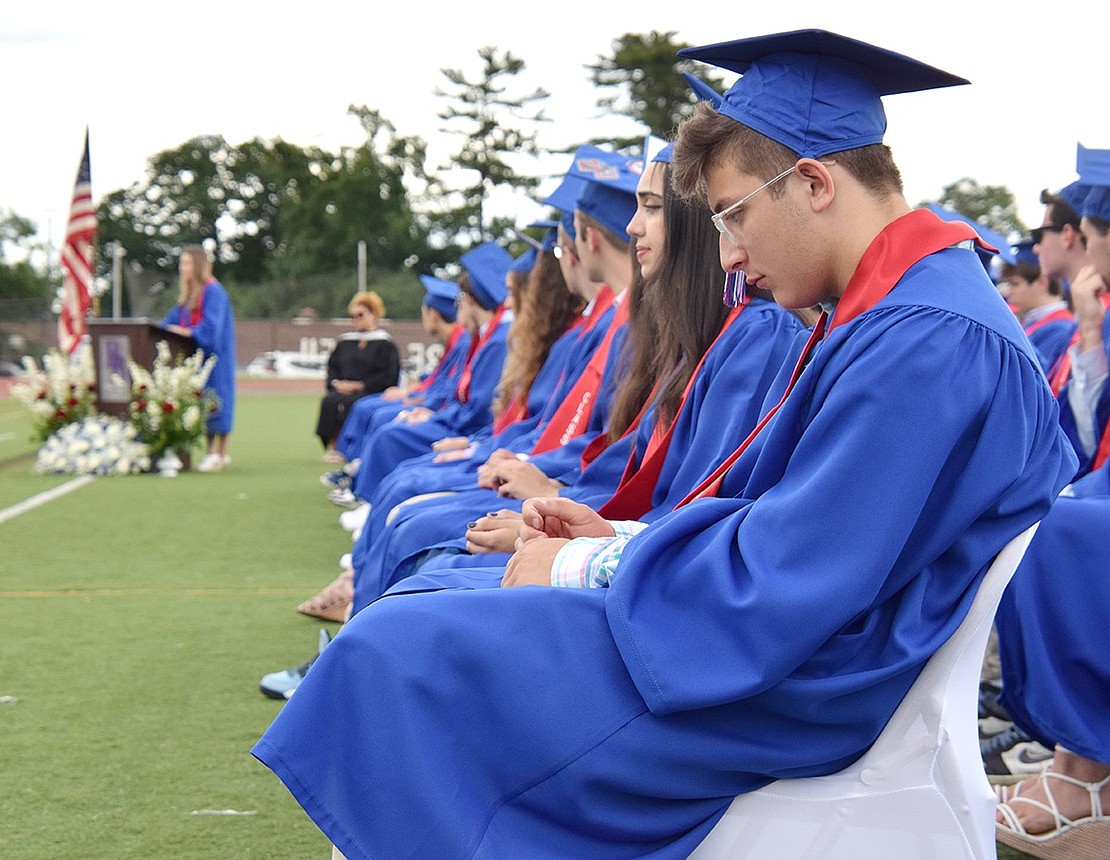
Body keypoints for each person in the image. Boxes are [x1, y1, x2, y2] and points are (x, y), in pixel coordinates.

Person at [253, 30, 1075, 858]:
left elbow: (781, 582)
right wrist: (618, 540)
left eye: (734, 214)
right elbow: (777, 528)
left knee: (400, 658)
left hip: (791, 686)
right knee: (424, 613)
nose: (727, 253)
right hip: (762, 646)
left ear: (816, 183)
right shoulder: (896, 313)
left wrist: (585, 567)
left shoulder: (927, 339)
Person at [993, 145, 1110, 859]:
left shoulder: (1066, 324)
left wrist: (1091, 333)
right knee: (1046, 509)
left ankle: (1085, 771)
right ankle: (1077, 762)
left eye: (1091, 237)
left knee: (1058, 523)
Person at [162, 243, 236, 473]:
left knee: (216, 401)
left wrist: (188, 332)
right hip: (193, 360)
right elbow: (170, 322)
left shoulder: (214, 292)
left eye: (186, 263)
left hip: (214, 359)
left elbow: (211, 328)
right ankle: (206, 451)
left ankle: (218, 453)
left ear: (198, 265)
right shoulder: (187, 296)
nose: (181, 268)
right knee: (197, 401)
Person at [314, 291, 400, 461]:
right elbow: (333, 366)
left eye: (360, 315)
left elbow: (388, 374)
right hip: (343, 388)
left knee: (354, 404)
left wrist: (360, 386)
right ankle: (335, 446)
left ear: (374, 314)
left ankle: (350, 448)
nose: (356, 319)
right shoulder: (346, 341)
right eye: (353, 316)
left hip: (370, 389)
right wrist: (337, 384)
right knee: (330, 401)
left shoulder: (384, 343)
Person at [997, 239, 1074, 373]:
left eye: (1014, 284)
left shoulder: (1061, 329)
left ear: (1042, 283)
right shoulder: (1033, 321)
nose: (1008, 291)